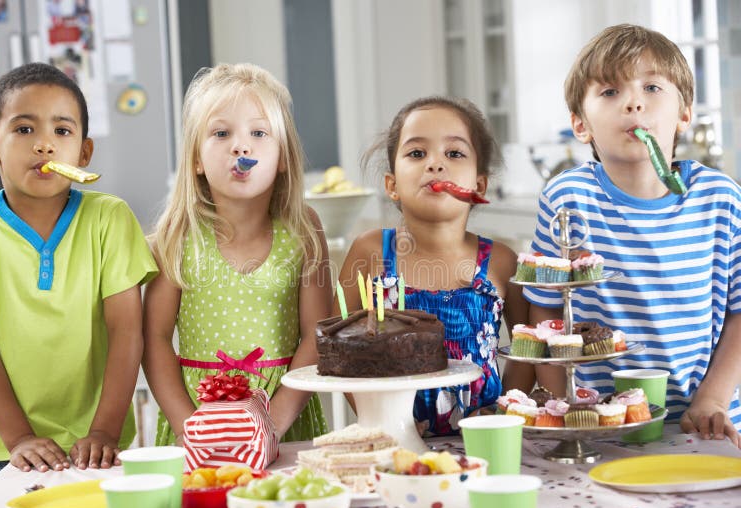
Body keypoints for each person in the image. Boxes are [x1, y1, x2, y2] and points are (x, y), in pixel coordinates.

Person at [0, 62, 158, 498]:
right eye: (24, 130)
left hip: (96, 449)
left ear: (84, 153)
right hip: (5, 453)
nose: (44, 145)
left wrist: (105, 430)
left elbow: (126, 332)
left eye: (62, 131)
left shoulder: (109, 218)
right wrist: (18, 438)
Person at [519, 24, 741, 446]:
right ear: (580, 125)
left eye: (653, 87)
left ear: (684, 113)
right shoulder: (568, 197)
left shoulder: (722, 198)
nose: (634, 102)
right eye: (610, 92)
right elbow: (545, 316)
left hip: (708, 423)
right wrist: (563, 405)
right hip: (601, 423)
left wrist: (711, 399)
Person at [143, 63, 331, 446]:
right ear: (196, 159)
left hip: (283, 415)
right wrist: (188, 426)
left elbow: (316, 336)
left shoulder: (303, 229)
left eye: (259, 133)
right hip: (197, 416)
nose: (241, 146)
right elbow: (155, 338)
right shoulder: (177, 235)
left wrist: (274, 425)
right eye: (221, 133)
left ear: (282, 158)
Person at [336, 95, 529, 436]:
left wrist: (504, 415)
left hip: (484, 443)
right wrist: (382, 422)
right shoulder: (370, 253)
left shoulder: (501, 261)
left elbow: (527, 352)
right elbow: (338, 353)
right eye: (416, 153)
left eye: (454, 154)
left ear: (479, 185)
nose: (435, 164)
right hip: (393, 444)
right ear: (391, 185)